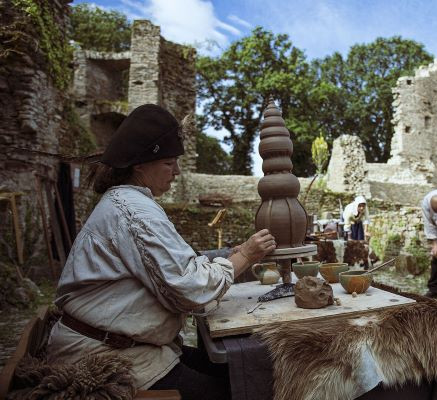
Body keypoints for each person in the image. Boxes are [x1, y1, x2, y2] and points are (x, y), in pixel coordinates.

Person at [46, 104, 276, 400]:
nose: (177, 171)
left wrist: (218, 255)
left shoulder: (126, 201)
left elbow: (169, 264)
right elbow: (190, 290)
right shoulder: (133, 210)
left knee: (237, 370)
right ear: (140, 164)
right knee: (233, 389)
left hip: (126, 346)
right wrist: (245, 255)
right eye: (169, 163)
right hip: (102, 356)